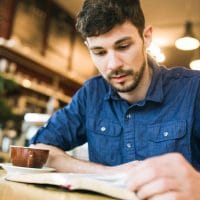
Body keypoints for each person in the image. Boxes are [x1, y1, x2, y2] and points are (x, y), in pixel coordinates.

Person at [30, 0, 200, 199]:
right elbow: (39, 150)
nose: (112, 65)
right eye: (99, 52)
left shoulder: (193, 89)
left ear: (146, 37)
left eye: (123, 46)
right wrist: (111, 174)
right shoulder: (91, 94)